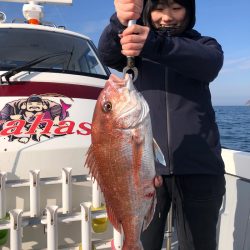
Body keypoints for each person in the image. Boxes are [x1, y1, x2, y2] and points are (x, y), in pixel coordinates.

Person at [98, 0, 226, 249]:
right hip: (147, 172)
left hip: (200, 168)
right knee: (143, 240)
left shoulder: (204, 45)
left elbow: (210, 63)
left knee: (200, 244)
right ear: (147, 11)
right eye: (159, 9)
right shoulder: (136, 50)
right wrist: (121, 20)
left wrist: (154, 44)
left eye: (176, 8)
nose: (167, 17)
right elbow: (108, 52)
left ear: (189, 11)